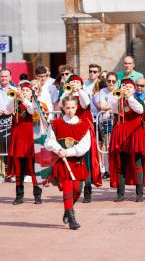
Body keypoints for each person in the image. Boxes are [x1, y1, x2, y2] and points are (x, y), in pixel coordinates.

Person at [45, 95, 98, 230]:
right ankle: (71, 216)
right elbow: (49, 141)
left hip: (76, 161)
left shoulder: (84, 125)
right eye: (67, 108)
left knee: (77, 189)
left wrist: (69, 152)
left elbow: (85, 146)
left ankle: (68, 208)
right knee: (67, 186)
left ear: (76, 107)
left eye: (73, 108)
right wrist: (58, 149)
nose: (70, 110)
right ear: (63, 108)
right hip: (62, 162)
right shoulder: (55, 124)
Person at [58, 75, 101, 203]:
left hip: (83, 130)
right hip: (70, 130)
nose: (74, 83)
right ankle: (73, 188)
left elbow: (86, 103)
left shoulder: (84, 94)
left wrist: (79, 90)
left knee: (86, 160)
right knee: (73, 159)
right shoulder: (67, 96)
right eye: (72, 82)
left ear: (81, 84)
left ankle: (87, 190)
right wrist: (67, 91)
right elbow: (61, 104)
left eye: (77, 82)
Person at [109, 78, 145, 202]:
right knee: (121, 164)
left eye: (129, 87)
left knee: (137, 163)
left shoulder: (138, 100)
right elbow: (113, 109)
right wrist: (119, 96)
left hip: (135, 133)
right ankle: (120, 194)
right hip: (121, 133)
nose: (127, 89)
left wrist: (129, 97)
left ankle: (139, 194)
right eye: (125, 87)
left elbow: (139, 110)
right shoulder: (118, 100)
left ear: (134, 90)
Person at [6, 81, 42, 204]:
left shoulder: (34, 102)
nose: (24, 92)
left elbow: (33, 111)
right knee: (19, 168)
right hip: (18, 137)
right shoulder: (16, 102)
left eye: (26, 90)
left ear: (31, 93)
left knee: (33, 168)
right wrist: (15, 96)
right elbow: (8, 109)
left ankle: (37, 195)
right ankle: (19, 195)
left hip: (31, 137)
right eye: (23, 90)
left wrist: (24, 99)